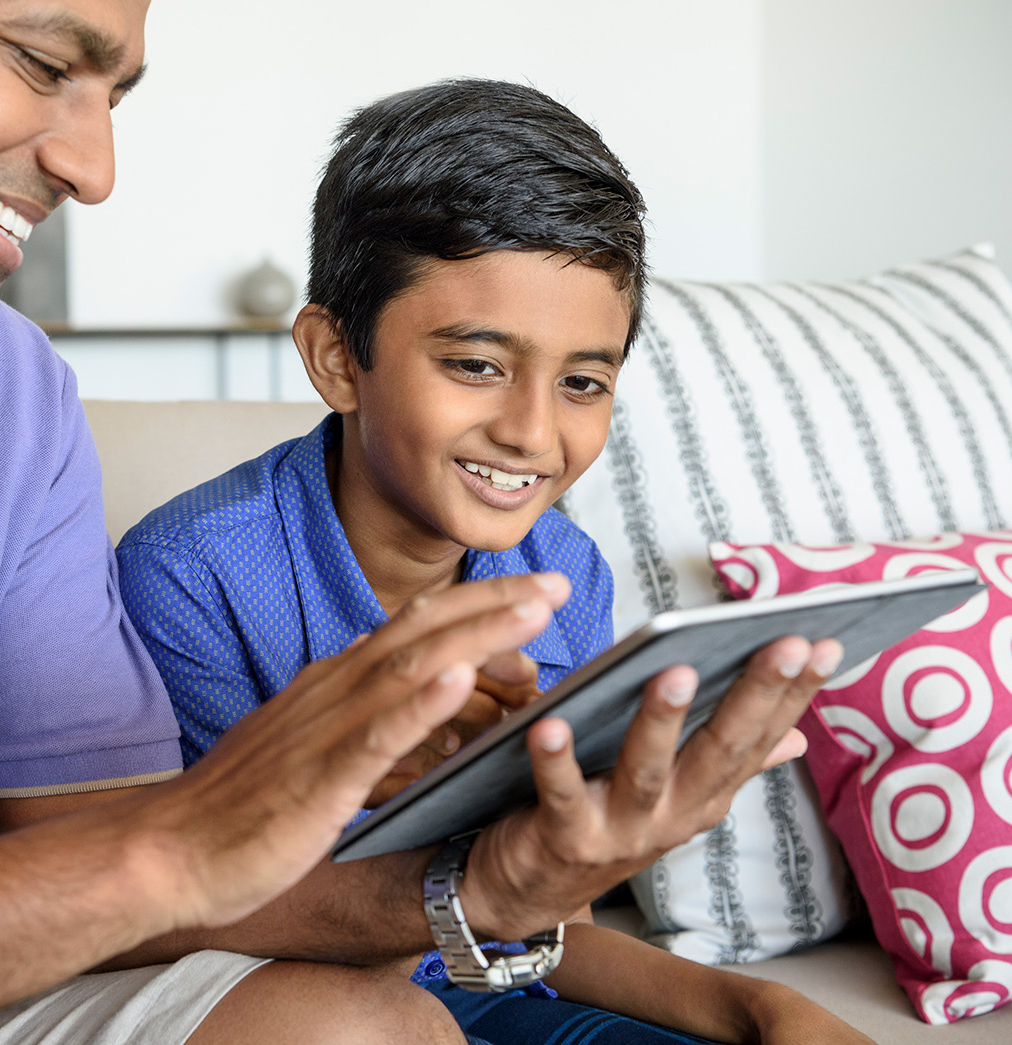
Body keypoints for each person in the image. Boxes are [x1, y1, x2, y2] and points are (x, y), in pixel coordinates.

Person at [0, 0, 836, 1042]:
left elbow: (102, 858)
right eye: (45, 62)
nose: (93, 165)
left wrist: (476, 894)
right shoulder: (206, 561)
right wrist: (163, 850)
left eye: (115, 90)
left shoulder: (6, 399)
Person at [116, 81, 874, 1044]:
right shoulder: (191, 576)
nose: (531, 432)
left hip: (503, 988)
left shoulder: (565, 571)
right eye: (476, 364)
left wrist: (765, 1006)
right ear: (338, 357)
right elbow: (172, 914)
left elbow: (552, 927)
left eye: (582, 382)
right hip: (301, 998)